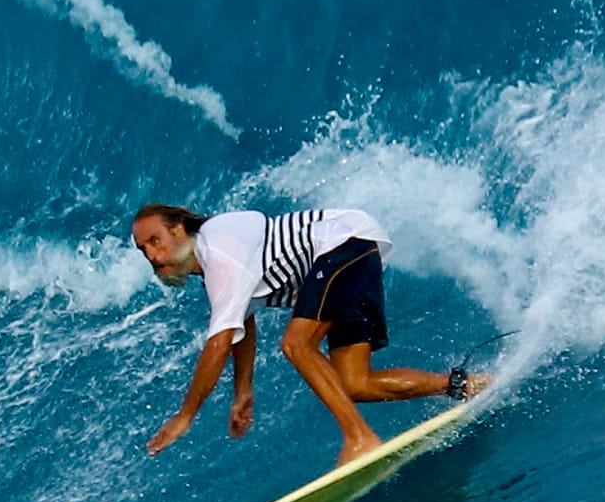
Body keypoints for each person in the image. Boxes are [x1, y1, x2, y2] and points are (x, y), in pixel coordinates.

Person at [131, 201, 486, 469]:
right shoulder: (216, 266)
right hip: (355, 252)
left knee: (296, 344)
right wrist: (242, 391)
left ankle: (360, 438)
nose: (151, 254)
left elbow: (219, 342)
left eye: (154, 240)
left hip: (343, 246)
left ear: (179, 230)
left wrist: (186, 415)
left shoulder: (217, 248)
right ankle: (464, 386)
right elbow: (242, 326)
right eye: (142, 249)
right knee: (354, 384)